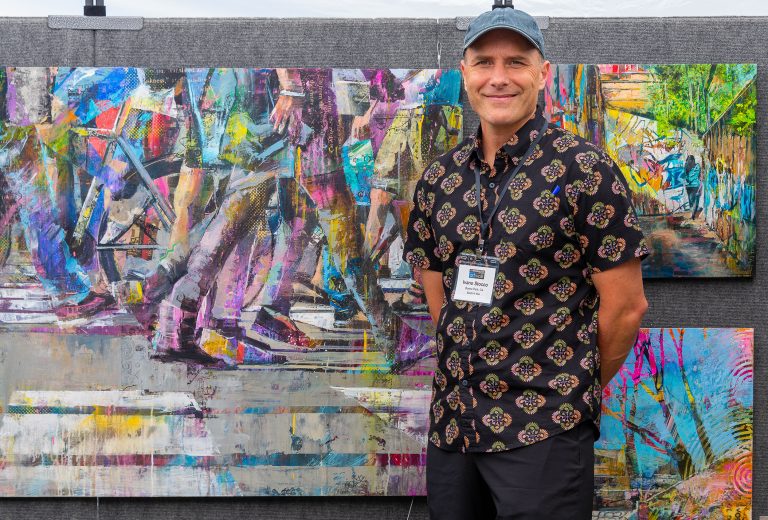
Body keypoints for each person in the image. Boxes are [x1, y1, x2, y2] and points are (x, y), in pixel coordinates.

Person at [402, 5, 649, 519]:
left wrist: (570, 389)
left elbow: (626, 308)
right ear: (465, 73)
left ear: (542, 73)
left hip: (543, 429)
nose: (499, 77)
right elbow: (436, 291)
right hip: (454, 427)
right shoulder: (440, 179)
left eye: (516, 62)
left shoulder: (584, 170)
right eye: (484, 62)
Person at [682, 154, 702, 219]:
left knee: (692, 200)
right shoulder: (687, 166)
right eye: (688, 160)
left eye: (690, 160)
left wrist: (689, 179)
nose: (689, 161)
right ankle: (695, 212)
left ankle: (693, 215)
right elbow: (685, 175)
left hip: (694, 185)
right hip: (690, 186)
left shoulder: (696, 166)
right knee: (691, 201)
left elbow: (696, 175)